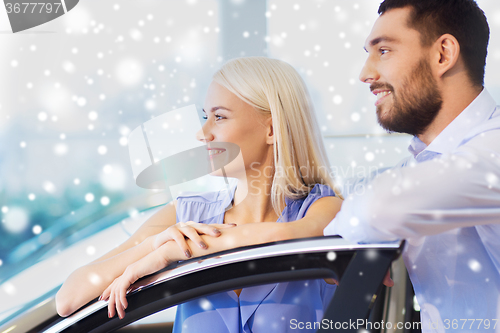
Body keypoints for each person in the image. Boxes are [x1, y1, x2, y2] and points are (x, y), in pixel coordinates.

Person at [56, 57, 343, 332]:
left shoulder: (324, 210)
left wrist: (170, 254)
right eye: (206, 117)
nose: (202, 133)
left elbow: (294, 237)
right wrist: (154, 246)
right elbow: (68, 300)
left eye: (219, 117)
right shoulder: (185, 216)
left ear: (271, 129)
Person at [324, 0, 500, 331]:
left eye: (384, 51)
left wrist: (353, 233)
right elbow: (349, 203)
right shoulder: (414, 168)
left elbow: (381, 207)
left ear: (443, 54)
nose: (366, 74)